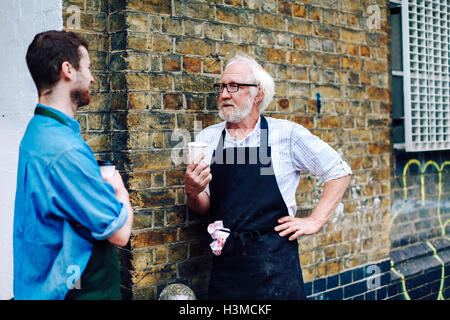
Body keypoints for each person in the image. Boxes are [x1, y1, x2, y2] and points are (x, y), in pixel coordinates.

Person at [185, 55, 352, 300]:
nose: (224, 94)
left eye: (234, 86)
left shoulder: (286, 134)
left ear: (258, 94)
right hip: (228, 268)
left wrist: (315, 221)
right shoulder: (208, 139)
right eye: (221, 86)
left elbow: (338, 171)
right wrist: (193, 191)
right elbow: (203, 207)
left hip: (276, 267)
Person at [13, 30, 134, 300]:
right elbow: (119, 233)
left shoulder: (39, 130)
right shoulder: (64, 150)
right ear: (68, 69)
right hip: (79, 292)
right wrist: (119, 189)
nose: (91, 77)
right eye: (87, 67)